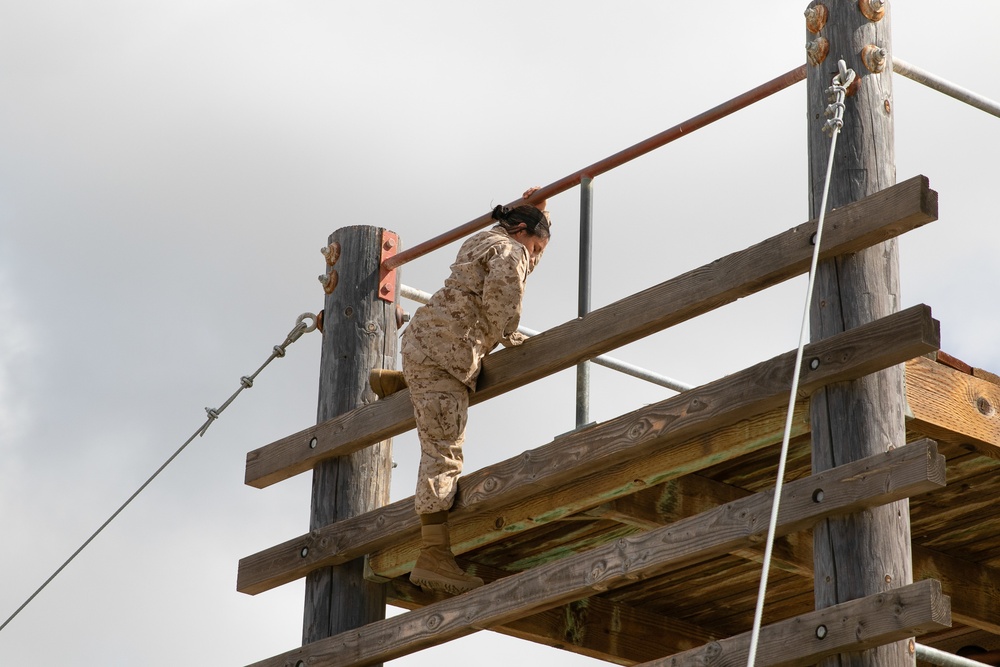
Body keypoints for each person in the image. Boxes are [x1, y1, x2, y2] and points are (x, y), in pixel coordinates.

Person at [400, 187, 551, 594]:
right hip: (447, 354)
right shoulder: (511, 251)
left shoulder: (482, 240)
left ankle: (395, 380)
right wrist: (509, 334)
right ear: (520, 232)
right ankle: (433, 554)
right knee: (443, 451)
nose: (534, 258)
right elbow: (505, 290)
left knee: (432, 403)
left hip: (422, 341)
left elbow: (514, 259)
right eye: (536, 247)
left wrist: (540, 214)